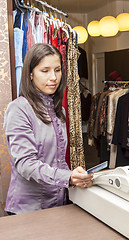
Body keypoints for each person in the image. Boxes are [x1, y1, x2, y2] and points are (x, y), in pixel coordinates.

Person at [3, 43, 93, 215]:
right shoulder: (18, 109)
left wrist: (74, 176)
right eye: (45, 71)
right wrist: (67, 177)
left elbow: (57, 159)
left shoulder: (59, 111)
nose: (53, 77)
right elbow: (25, 164)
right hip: (28, 209)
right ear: (30, 73)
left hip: (59, 202)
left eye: (57, 70)